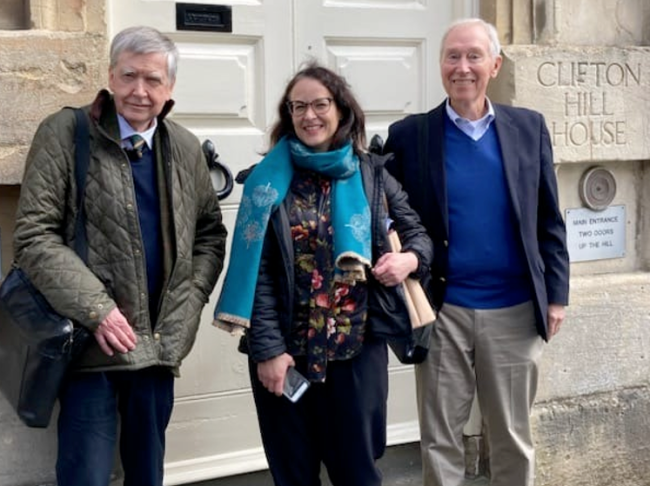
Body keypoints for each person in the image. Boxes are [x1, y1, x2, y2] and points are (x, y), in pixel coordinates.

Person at [12, 26, 227, 486]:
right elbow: (34, 235)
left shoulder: (185, 147)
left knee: (147, 475)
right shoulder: (66, 133)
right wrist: (99, 310)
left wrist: (188, 306)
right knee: (85, 475)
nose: (139, 91)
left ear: (170, 89)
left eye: (152, 80)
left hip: (158, 353)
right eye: (128, 76)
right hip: (93, 349)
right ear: (110, 75)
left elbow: (210, 233)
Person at [213, 62, 433, 486]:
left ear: (341, 109)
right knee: (293, 475)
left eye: (319, 104)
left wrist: (408, 261)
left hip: (355, 355)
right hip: (285, 356)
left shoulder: (373, 174)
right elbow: (255, 272)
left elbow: (418, 237)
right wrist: (268, 351)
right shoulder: (265, 182)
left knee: (358, 473)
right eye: (298, 107)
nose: (309, 116)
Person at [383, 18, 570, 486]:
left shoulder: (528, 128)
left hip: (515, 309)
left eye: (473, 56)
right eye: (452, 56)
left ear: (495, 65)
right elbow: (387, 212)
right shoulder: (410, 136)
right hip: (442, 311)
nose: (462, 67)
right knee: (440, 438)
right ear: (440, 64)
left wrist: (557, 294)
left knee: (510, 435)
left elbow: (548, 218)